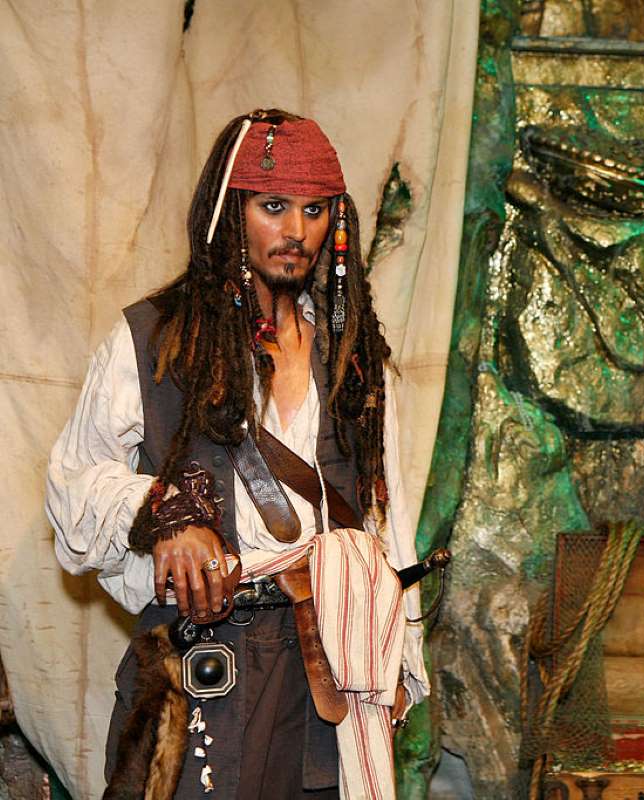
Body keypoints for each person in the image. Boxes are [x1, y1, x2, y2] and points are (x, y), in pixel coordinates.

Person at [46, 109, 428, 799]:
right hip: (201, 662)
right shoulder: (152, 339)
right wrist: (165, 513)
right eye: (273, 206)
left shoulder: (355, 356)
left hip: (329, 671)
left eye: (315, 210)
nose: (296, 231)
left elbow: (386, 518)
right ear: (232, 212)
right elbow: (72, 489)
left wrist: (398, 661)